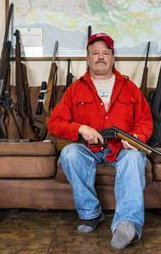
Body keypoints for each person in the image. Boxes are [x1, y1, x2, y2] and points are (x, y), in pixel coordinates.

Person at [48, 33, 153, 249]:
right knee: (69, 154)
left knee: (135, 158)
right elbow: (55, 123)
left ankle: (126, 224)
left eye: (106, 53)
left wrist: (136, 139)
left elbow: (145, 121)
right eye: (95, 53)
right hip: (90, 149)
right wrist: (80, 128)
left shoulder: (129, 87)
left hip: (122, 150)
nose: (101, 57)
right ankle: (91, 214)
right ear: (87, 59)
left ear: (113, 58)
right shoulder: (75, 89)